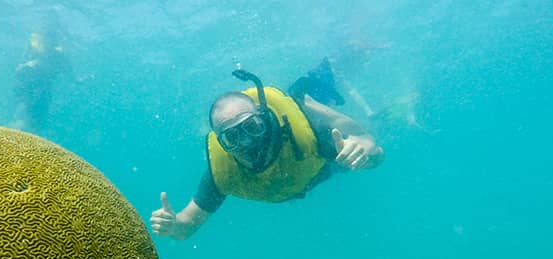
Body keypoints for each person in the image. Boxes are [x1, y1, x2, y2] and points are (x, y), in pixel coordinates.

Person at [150, 60, 384, 240]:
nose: (247, 143)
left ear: (264, 120)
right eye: (232, 137)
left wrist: (362, 153)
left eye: (251, 127)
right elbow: (187, 225)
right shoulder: (222, 173)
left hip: (318, 162)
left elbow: (373, 150)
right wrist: (173, 225)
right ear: (222, 144)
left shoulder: (307, 135)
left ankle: (341, 61)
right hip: (302, 174)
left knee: (323, 88)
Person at [12, 26, 72, 133]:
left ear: (54, 42)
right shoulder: (34, 50)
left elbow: (69, 73)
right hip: (29, 85)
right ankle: (16, 130)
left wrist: (79, 80)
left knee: (38, 121)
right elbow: (18, 71)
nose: (48, 44)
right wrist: (29, 65)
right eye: (46, 41)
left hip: (45, 89)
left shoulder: (59, 56)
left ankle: (27, 133)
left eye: (51, 41)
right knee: (24, 113)